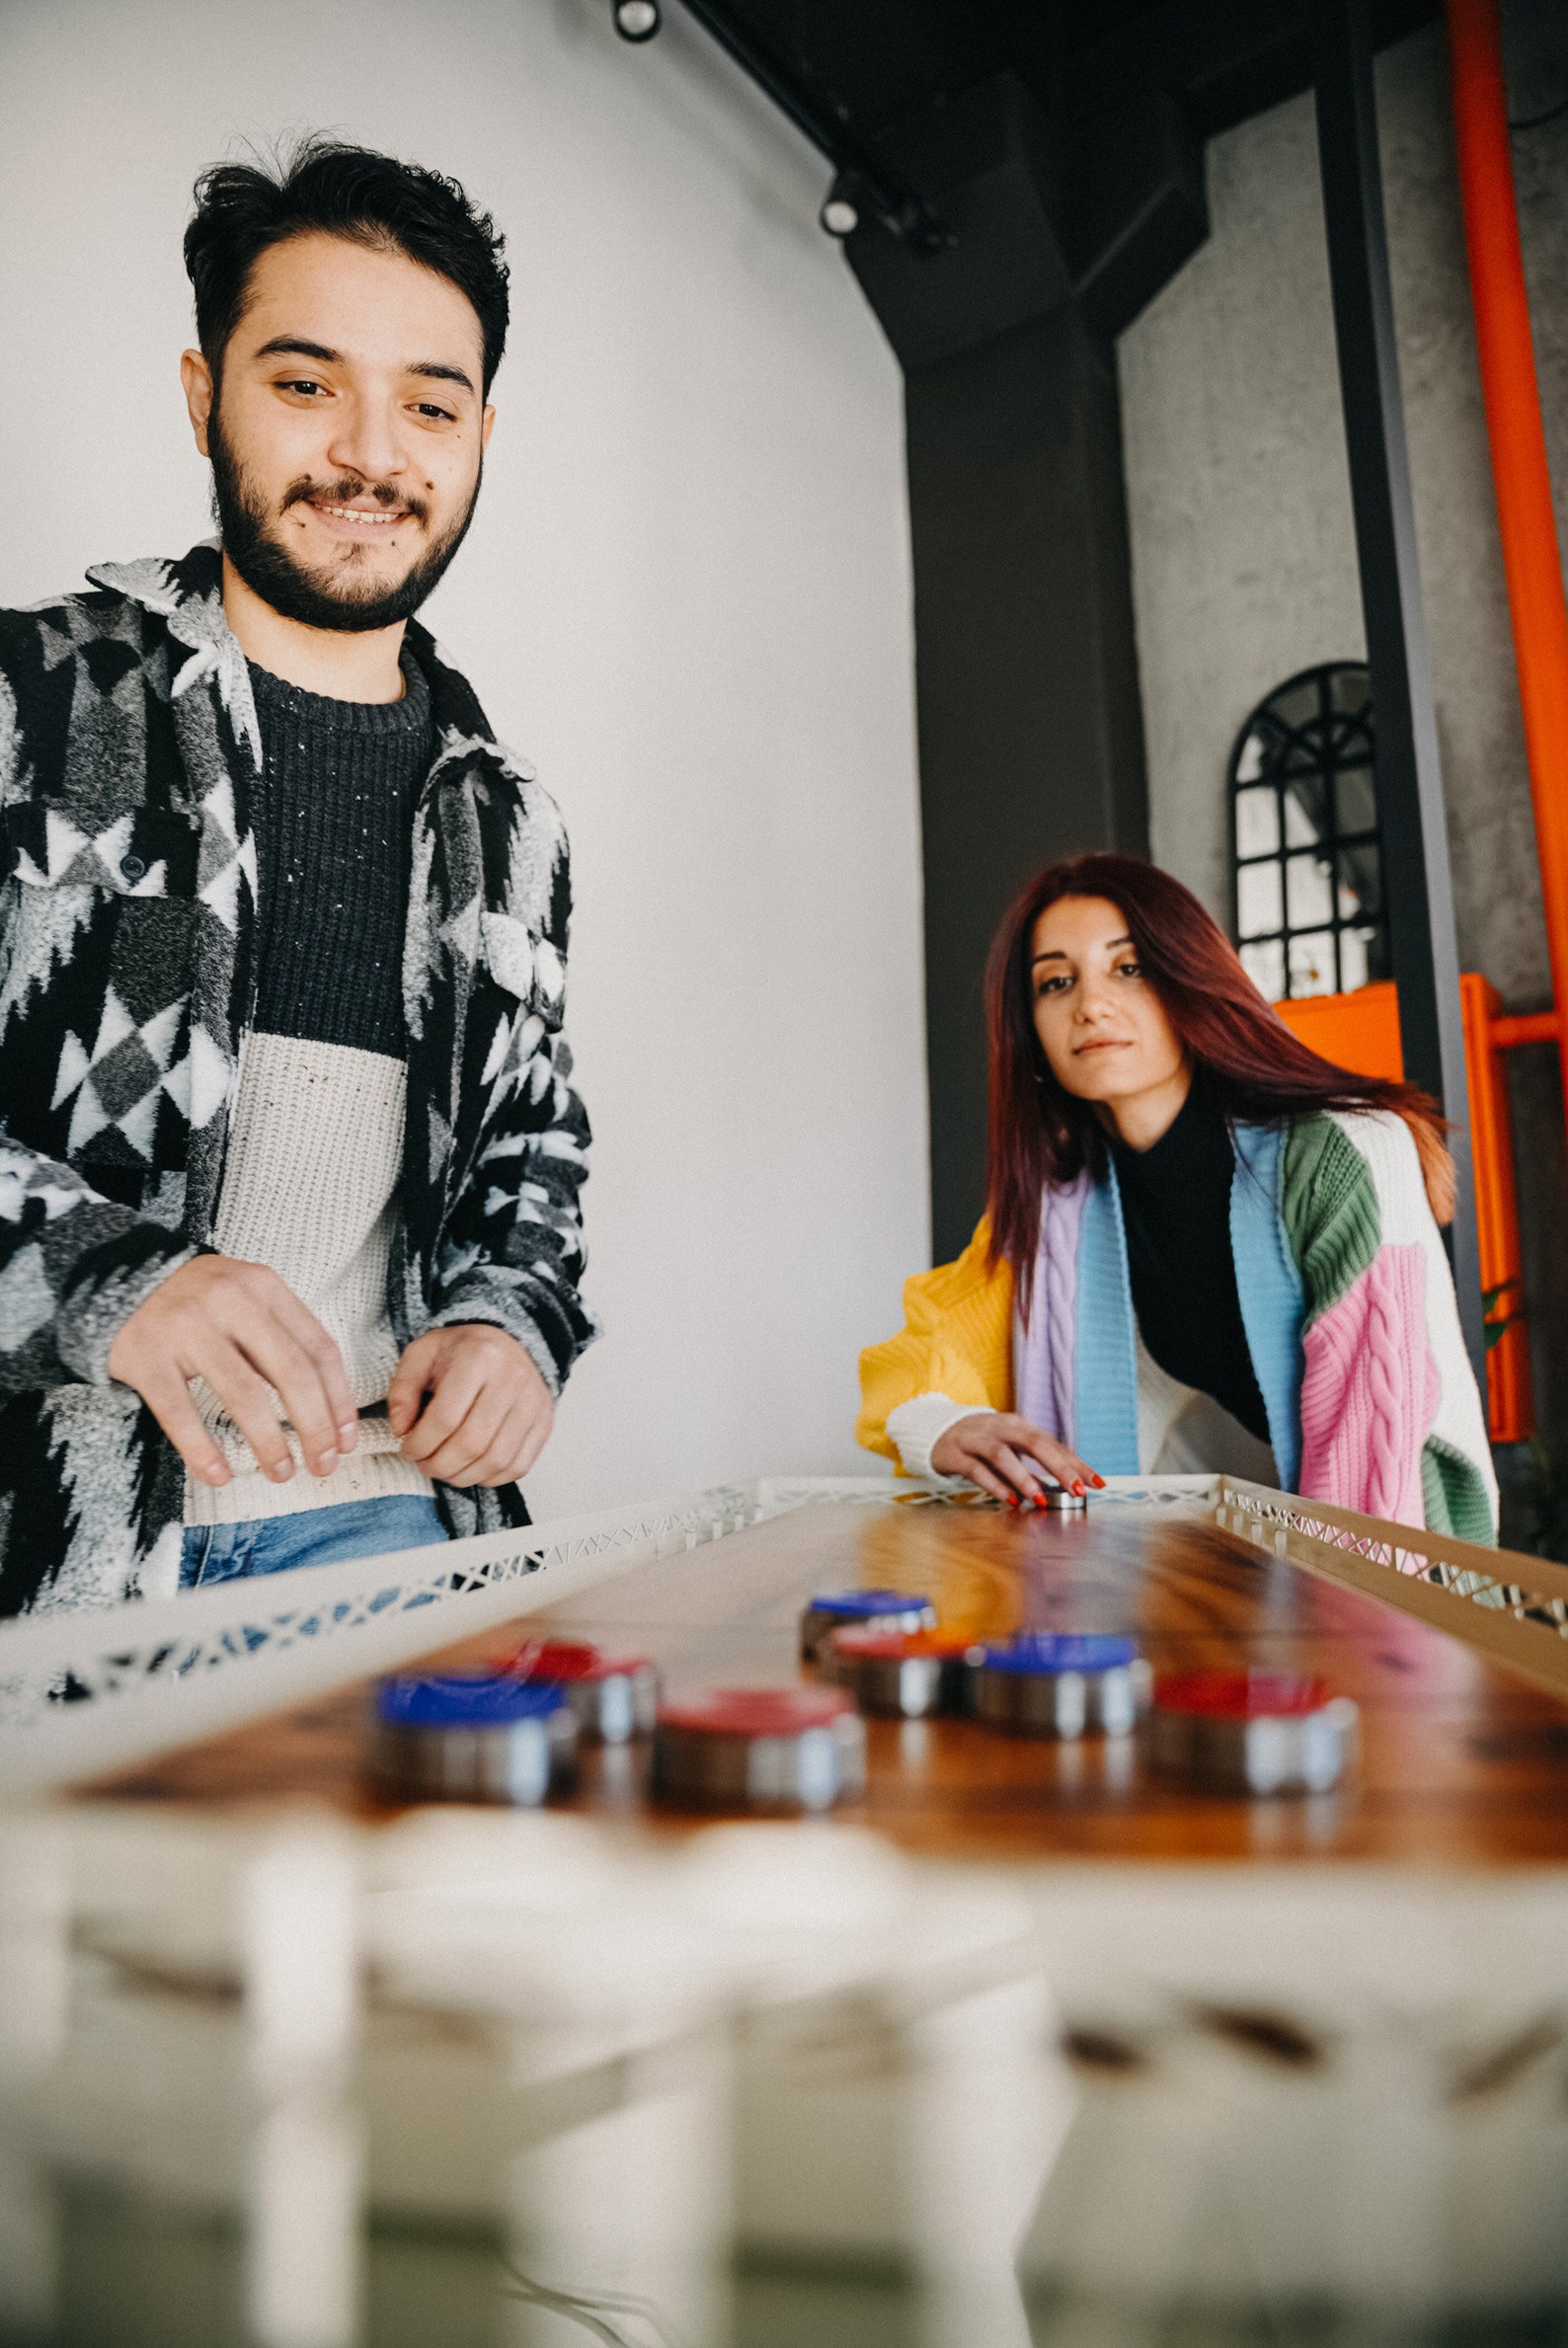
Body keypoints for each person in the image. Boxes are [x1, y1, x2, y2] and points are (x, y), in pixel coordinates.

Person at [0, 138, 598, 1615]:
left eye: (429, 404)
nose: (373, 455)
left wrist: (515, 1319)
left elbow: (536, 1139)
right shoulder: (28, 696)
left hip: (405, 1547)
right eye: (305, 381)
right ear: (206, 392)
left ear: (480, 434)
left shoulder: (515, 819)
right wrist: (109, 1276)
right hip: (54, 1566)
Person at [858, 854, 1496, 1541]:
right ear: (1031, 1030)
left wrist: (1326, 1636)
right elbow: (928, 1344)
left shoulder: (1341, 1151)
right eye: (1056, 982)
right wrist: (943, 1425)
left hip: (1407, 1576)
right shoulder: (1060, 1209)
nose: (1091, 1004)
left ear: (1191, 979)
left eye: (1128, 968)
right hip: (1233, 1573)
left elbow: (1372, 1454)